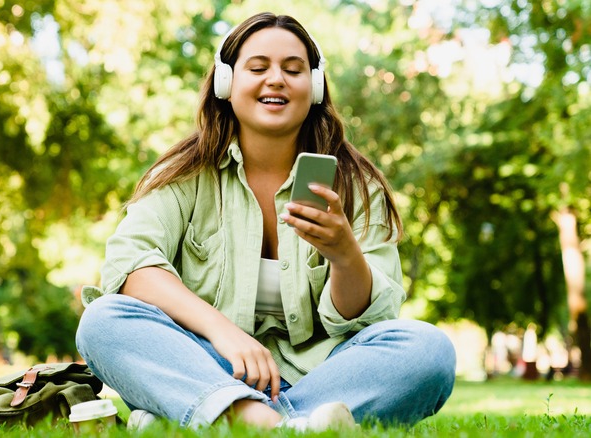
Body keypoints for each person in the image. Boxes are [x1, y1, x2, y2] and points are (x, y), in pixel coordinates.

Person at [76, 11, 456, 432]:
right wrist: (223, 331)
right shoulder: (183, 175)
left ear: (312, 87)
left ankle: (227, 416)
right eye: (258, 68)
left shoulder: (355, 184)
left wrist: (346, 256)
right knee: (103, 320)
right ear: (227, 83)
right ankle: (286, 422)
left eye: (292, 70)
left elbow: (372, 321)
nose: (276, 79)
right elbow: (131, 266)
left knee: (429, 350)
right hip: (211, 362)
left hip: (324, 376)